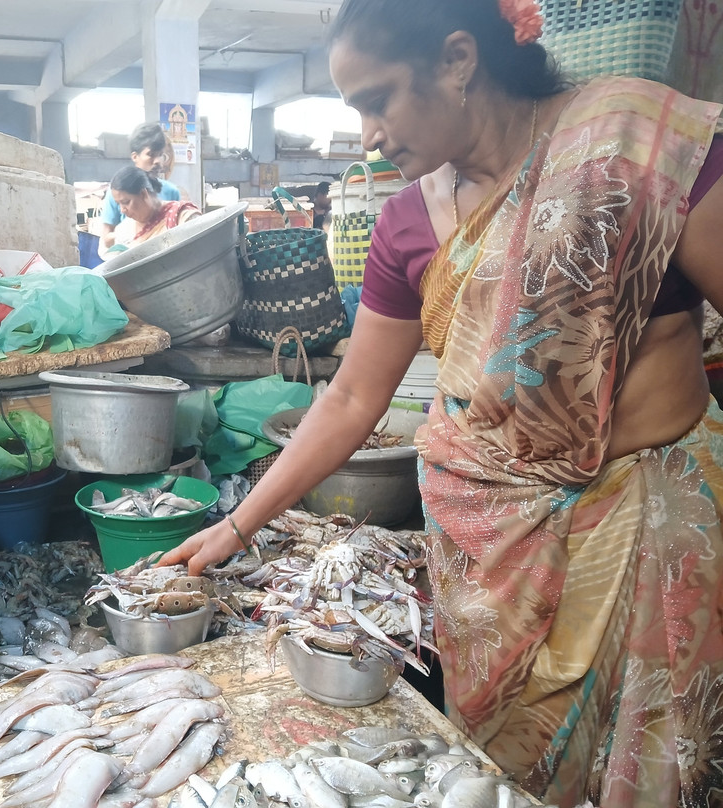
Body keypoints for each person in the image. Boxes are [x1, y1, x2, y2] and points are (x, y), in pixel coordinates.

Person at [160, 1, 723, 805]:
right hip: (490, 565)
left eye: (377, 98)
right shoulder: (406, 226)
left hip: (643, 540)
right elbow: (353, 396)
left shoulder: (633, 147)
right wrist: (239, 522)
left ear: (458, 59)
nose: (368, 135)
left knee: (652, 771)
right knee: (492, 778)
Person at [99, 123, 183, 253]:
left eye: (161, 154)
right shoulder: (118, 194)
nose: (157, 161)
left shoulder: (171, 191)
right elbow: (106, 238)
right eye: (151, 154)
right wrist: (127, 236)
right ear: (135, 156)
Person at [100, 166, 200, 256]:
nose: (122, 210)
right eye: (118, 204)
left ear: (143, 194)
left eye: (126, 202)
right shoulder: (125, 230)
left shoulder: (182, 217)